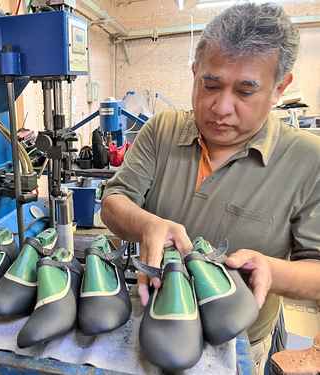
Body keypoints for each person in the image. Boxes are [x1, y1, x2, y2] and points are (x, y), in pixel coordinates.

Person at [100, 3, 320, 374]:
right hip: (154, 320)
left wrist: (269, 270)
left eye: (245, 92)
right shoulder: (162, 130)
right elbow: (113, 202)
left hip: (239, 339)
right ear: (195, 72)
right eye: (210, 84)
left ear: (280, 88)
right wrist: (147, 224)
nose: (221, 107)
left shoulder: (307, 159)